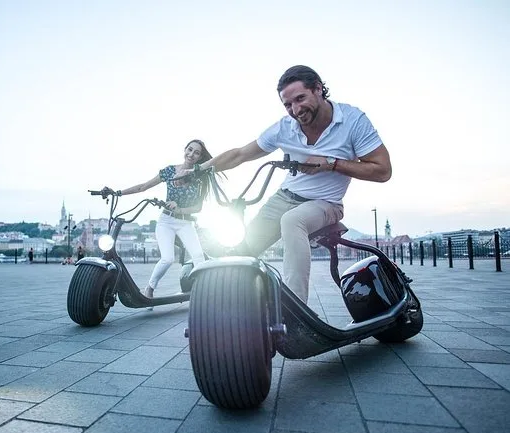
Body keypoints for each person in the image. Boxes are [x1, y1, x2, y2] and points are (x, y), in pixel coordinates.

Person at [198, 65, 391, 304]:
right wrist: (198, 170)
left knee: (292, 220)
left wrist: (331, 163)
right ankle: (234, 305)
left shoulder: (352, 120)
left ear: (318, 89)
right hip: (284, 197)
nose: (296, 110)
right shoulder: (284, 128)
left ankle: (296, 308)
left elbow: (383, 171)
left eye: (300, 99)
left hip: (326, 203)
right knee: (242, 250)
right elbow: (240, 154)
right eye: (288, 105)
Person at [110, 139, 217, 300]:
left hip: (185, 223)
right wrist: (117, 193)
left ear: (200, 157)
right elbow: (143, 187)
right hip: (166, 221)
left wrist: (179, 209)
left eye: (196, 153)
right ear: (185, 150)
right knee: (167, 259)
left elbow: (198, 208)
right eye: (189, 149)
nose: (191, 154)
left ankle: (205, 292)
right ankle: (150, 288)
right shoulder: (169, 171)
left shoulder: (200, 177)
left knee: (198, 256)